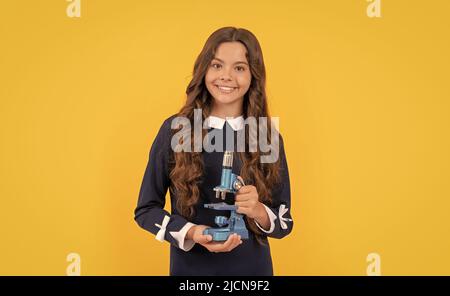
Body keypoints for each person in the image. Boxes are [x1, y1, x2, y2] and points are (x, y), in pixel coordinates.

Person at [134, 27, 293, 275]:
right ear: (204, 70)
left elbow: (284, 222)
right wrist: (192, 232)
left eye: (239, 68)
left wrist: (258, 210)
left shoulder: (265, 136)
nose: (226, 76)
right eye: (217, 65)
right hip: (191, 273)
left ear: (254, 75)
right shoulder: (177, 130)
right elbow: (146, 210)